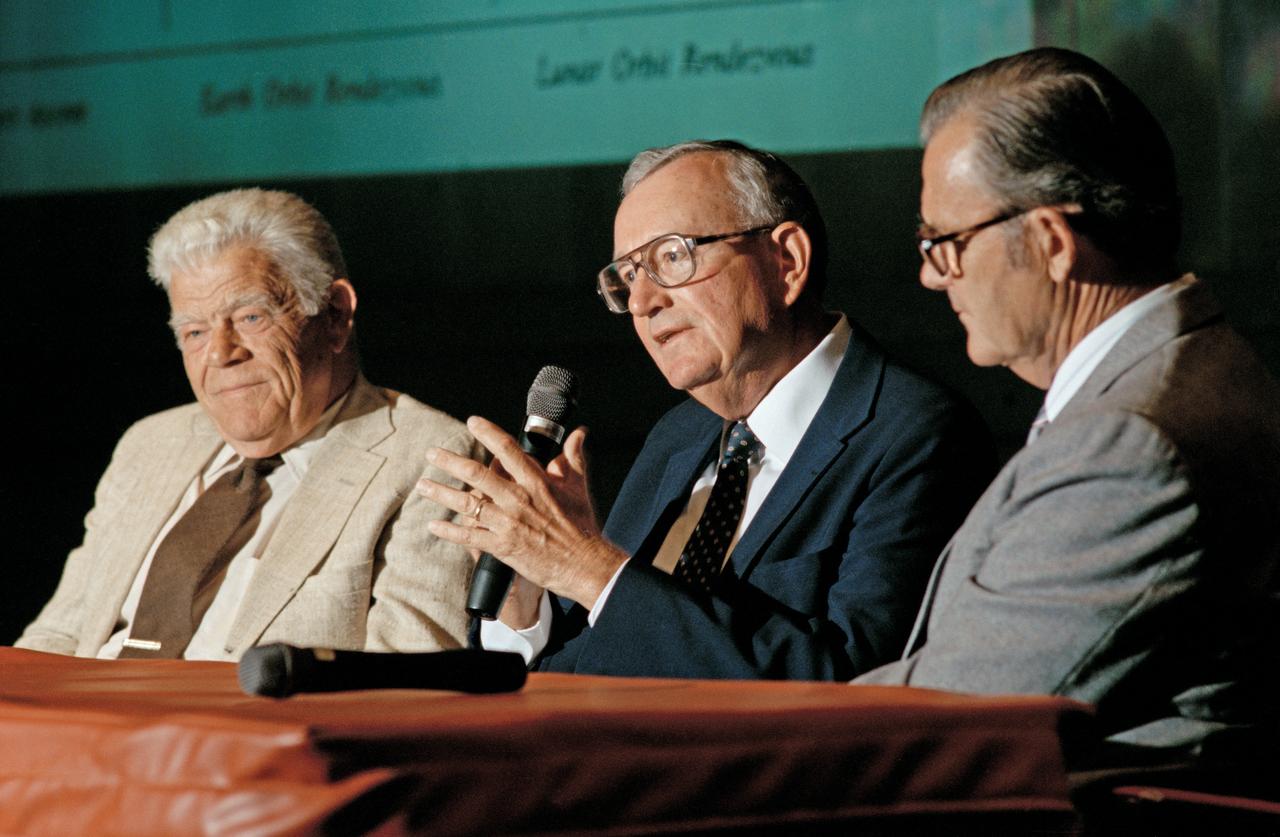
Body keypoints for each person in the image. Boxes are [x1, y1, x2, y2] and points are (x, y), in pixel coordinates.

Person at [417, 140, 993, 680]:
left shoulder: (916, 434)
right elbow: (603, 654)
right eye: (627, 277)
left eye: (672, 257)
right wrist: (529, 595)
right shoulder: (679, 436)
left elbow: (848, 678)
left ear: (786, 261)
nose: (643, 303)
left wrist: (586, 569)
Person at [853, 48, 1280, 770]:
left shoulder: (1130, 447)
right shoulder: (1184, 371)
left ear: (1051, 242)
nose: (931, 276)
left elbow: (951, 717)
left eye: (945, 243)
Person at [16, 188, 483, 660]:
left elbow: (407, 681)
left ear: (336, 316)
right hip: (85, 722)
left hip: (247, 730)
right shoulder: (150, 444)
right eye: (194, 332)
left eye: (250, 316)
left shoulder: (431, 458)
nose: (220, 354)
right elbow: (56, 636)